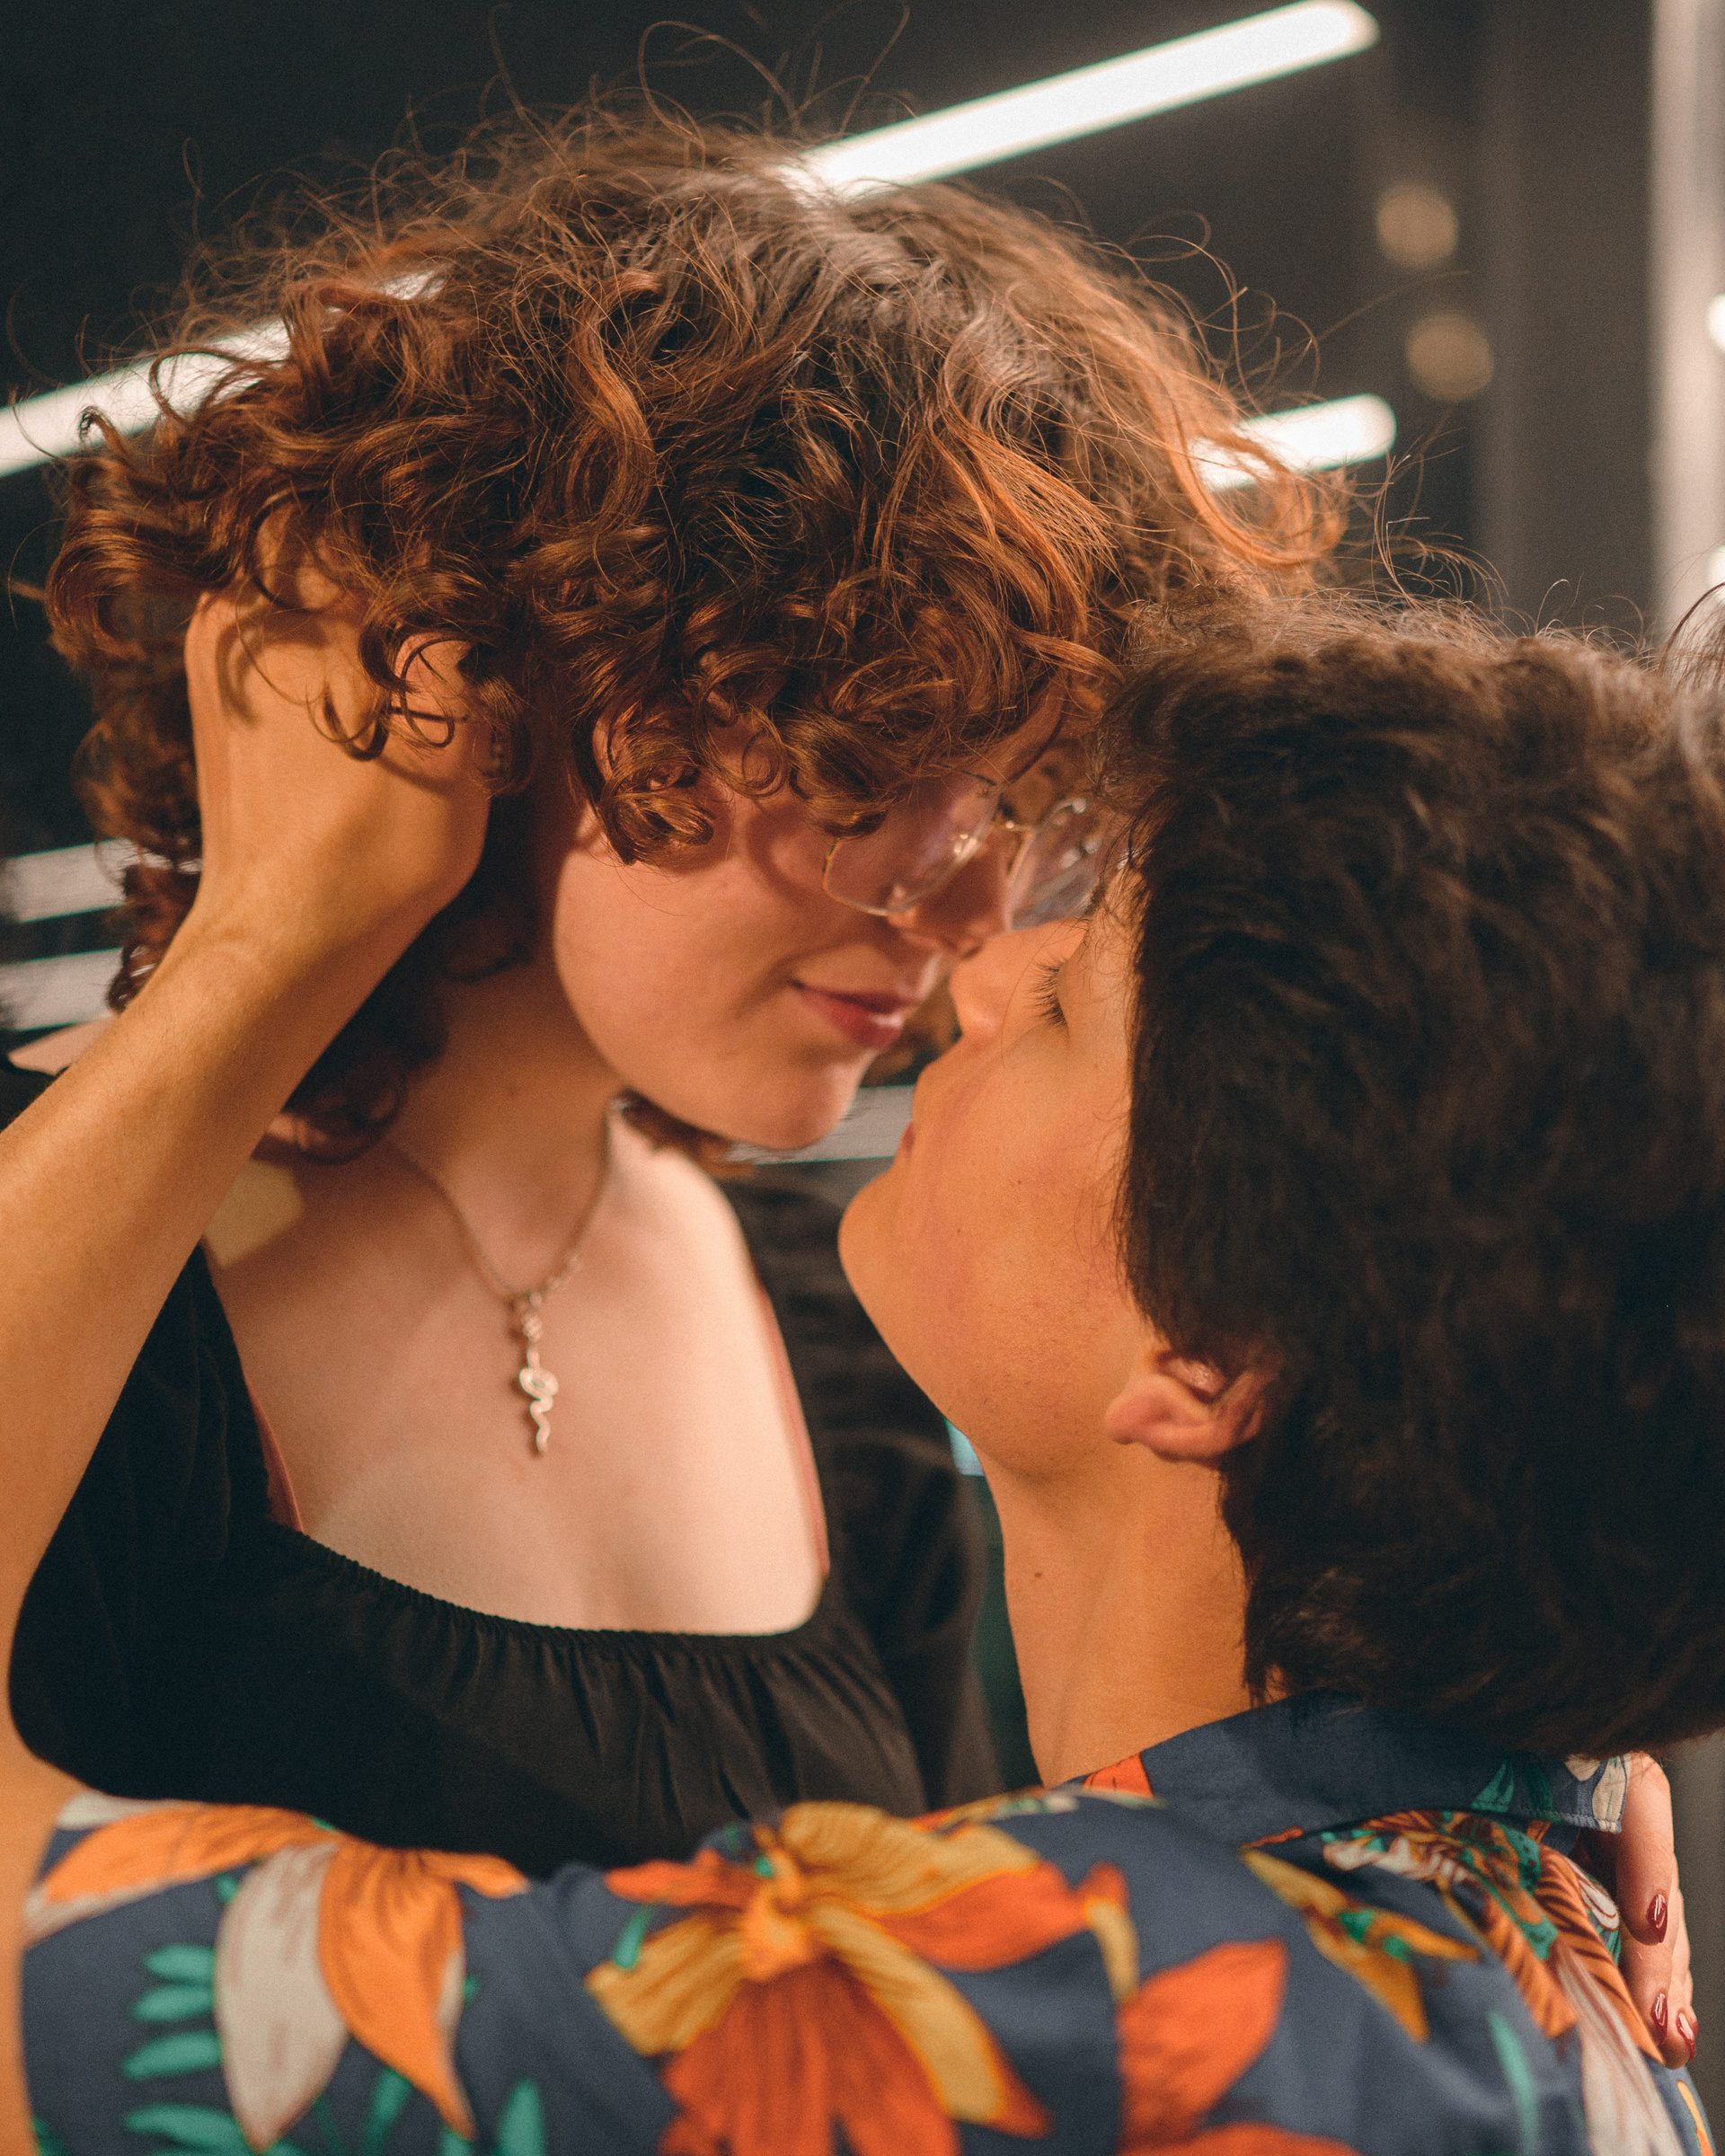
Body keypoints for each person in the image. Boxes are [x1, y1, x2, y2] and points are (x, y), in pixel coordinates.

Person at [7, 607, 1714, 2153]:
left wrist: (277, 933)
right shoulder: (1526, 1913)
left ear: (1209, 1361)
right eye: (861, 769)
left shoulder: (1042, 2009)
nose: (984, 960)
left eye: (1075, 1003)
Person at [0, 113, 1335, 1872]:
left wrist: (1500, 1788)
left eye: (1017, 803)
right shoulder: (71, 1245)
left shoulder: (838, 1318)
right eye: (871, 766)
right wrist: (279, 931)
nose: (971, 910)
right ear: (520, 656)